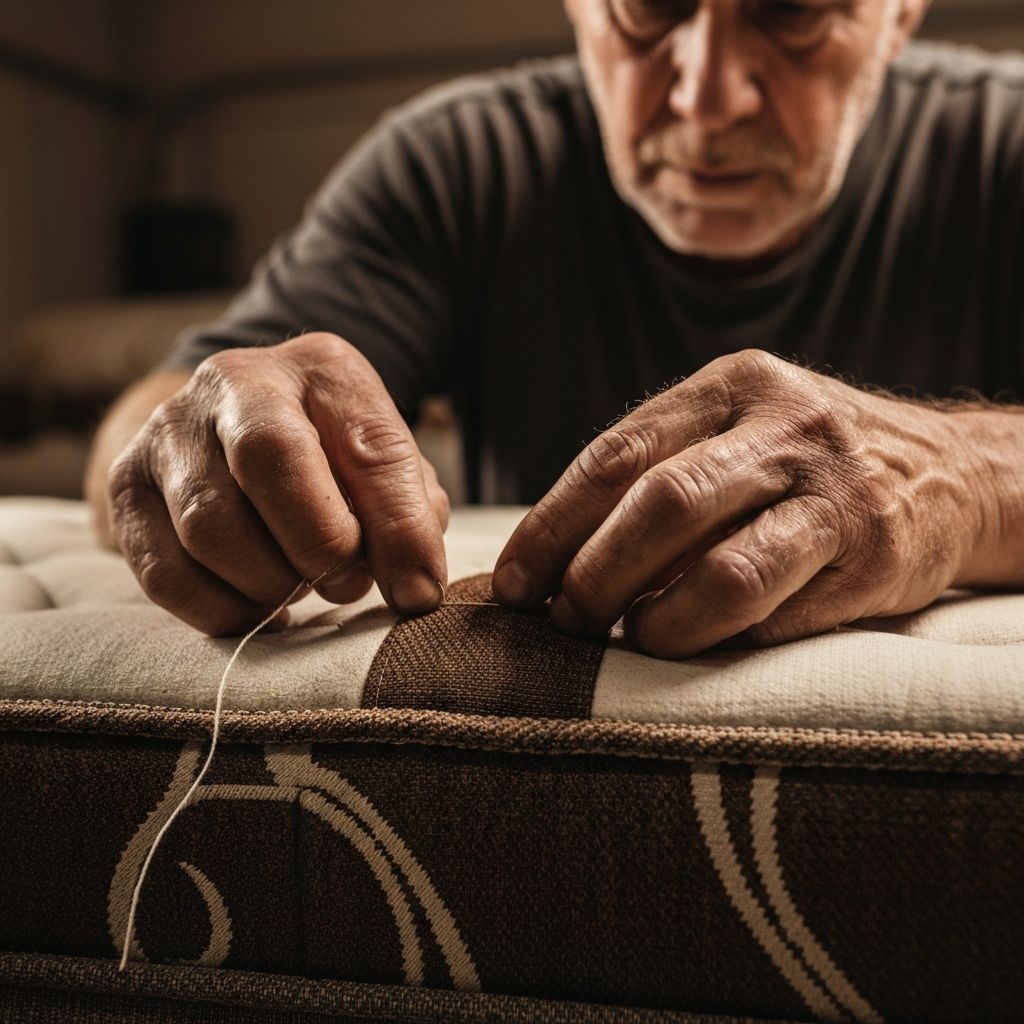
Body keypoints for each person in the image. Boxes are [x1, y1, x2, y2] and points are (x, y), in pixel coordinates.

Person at [86, 0, 1024, 658]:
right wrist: (193, 441)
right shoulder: (455, 161)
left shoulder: (1004, 142)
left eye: (791, 9)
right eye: (649, 7)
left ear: (901, 14)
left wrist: (968, 478)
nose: (707, 97)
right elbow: (157, 410)